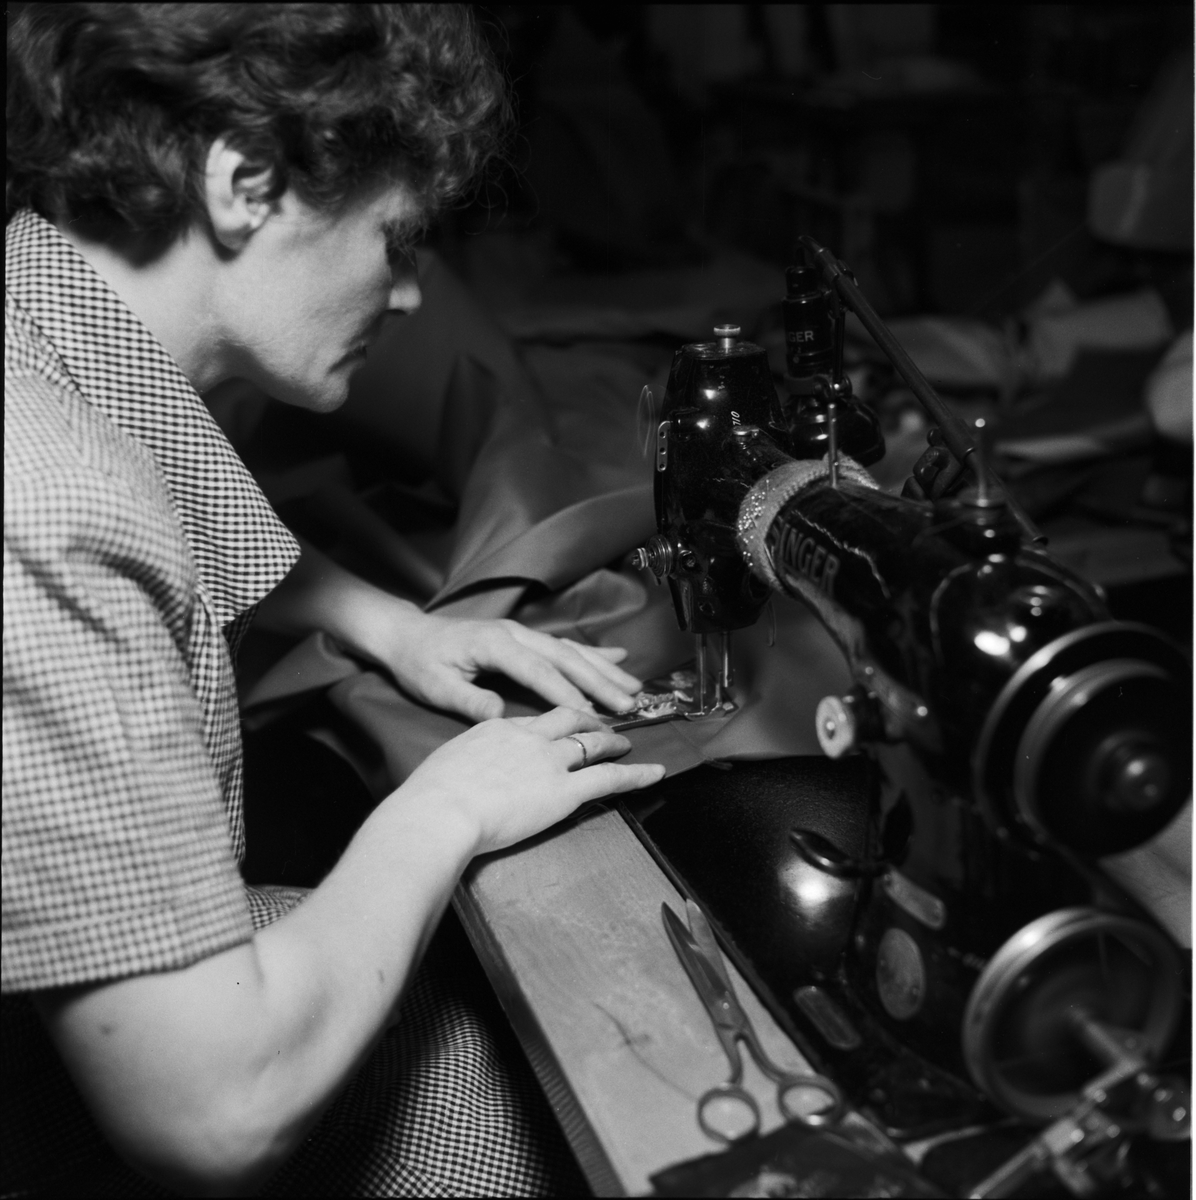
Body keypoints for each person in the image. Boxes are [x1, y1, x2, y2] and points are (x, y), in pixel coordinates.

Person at [3, 5, 665, 1196]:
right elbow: (212, 1114)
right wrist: (446, 808)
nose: (408, 296)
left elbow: (167, 500)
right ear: (245, 183)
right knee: (556, 1109)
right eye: (394, 240)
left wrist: (391, 624)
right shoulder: (51, 504)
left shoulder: (44, 317)